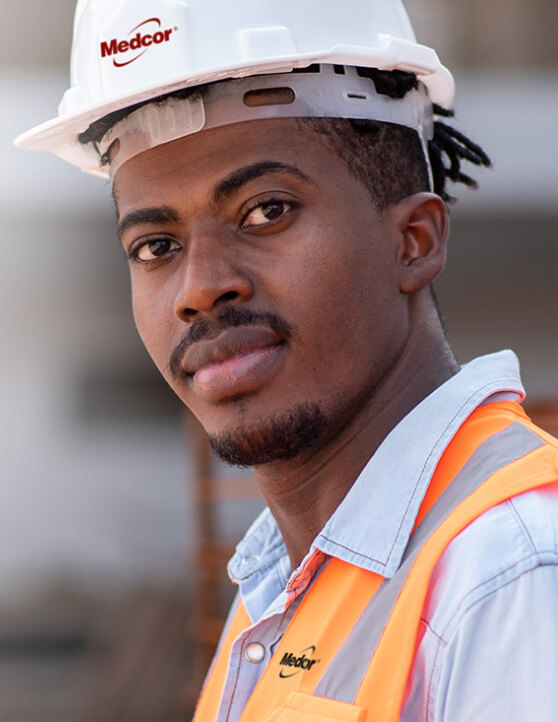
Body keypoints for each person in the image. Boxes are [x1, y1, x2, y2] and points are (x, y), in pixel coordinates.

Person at [16, 0, 558, 719]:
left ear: (415, 241)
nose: (201, 287)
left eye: (265, 211)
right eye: (156, 246)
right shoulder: (280, 587)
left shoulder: (507, 571)